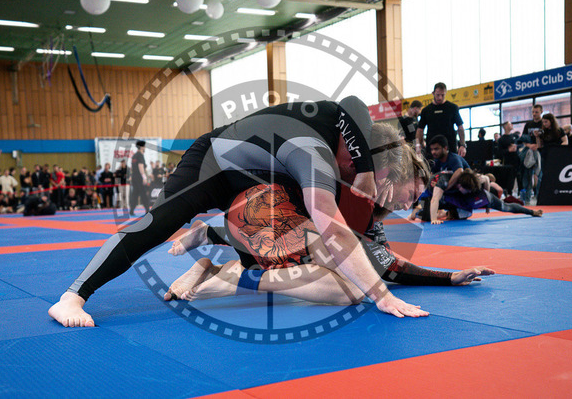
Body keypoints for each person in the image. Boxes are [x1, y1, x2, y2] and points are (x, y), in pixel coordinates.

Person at [48, 97, 430, 328]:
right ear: (352, 151)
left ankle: (227, 262)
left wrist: (364, 173)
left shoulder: (350, 135)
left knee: (337, 275)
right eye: (353, 167)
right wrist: (382, 297)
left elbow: (354, 107)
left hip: (262, 182)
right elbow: (336, 230)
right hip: (214, 163)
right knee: (159, 223)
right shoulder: (315, 153)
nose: (349, 174)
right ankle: (72, 296)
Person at [166, 136, 492, 304]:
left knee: (349, 274)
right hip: (260, 217)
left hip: (258, 225)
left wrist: (449, 277)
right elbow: (385, 265)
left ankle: (214, 267)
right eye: (413, 192)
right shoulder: (353, 186)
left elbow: (386, 263)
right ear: (398, 175)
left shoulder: (368, 209)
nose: (410, 203)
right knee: (351, 284)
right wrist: (446, 277)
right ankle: (237, 274)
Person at [425, 169, 542, 224]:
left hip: (480, 197)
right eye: (464, 189)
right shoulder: (447, 182)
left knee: (505, 207)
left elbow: (486, 179)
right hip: (456, 200)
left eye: (466, 190)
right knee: (436, 208)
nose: (463, 190)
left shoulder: (475, 181)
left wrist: (487, 204)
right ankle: (443, 213)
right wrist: (434, 218)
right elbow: (435, 199)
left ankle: (531, 212)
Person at [416, 82, 466, 157]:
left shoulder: (452, 108)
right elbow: (420, 130)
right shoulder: (426, 110)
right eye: (438, 95)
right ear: (433, 93)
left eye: (442, 95)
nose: (440, 98)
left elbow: (460, 127)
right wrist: (418, 146)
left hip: (449, 147)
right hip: (432, 150)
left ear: (445, 93)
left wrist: (462, 145)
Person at [129, 141, 150, 216]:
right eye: (144, 146)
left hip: (134, 177)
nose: (145, 148)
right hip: (139, 177)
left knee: (135, 194)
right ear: (141, 147)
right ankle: (147, 210)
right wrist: (144, 177)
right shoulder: (140, 155)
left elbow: (132, 167)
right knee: (143, 193)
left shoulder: (134, 156)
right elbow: (140, 166)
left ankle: (131, 210)